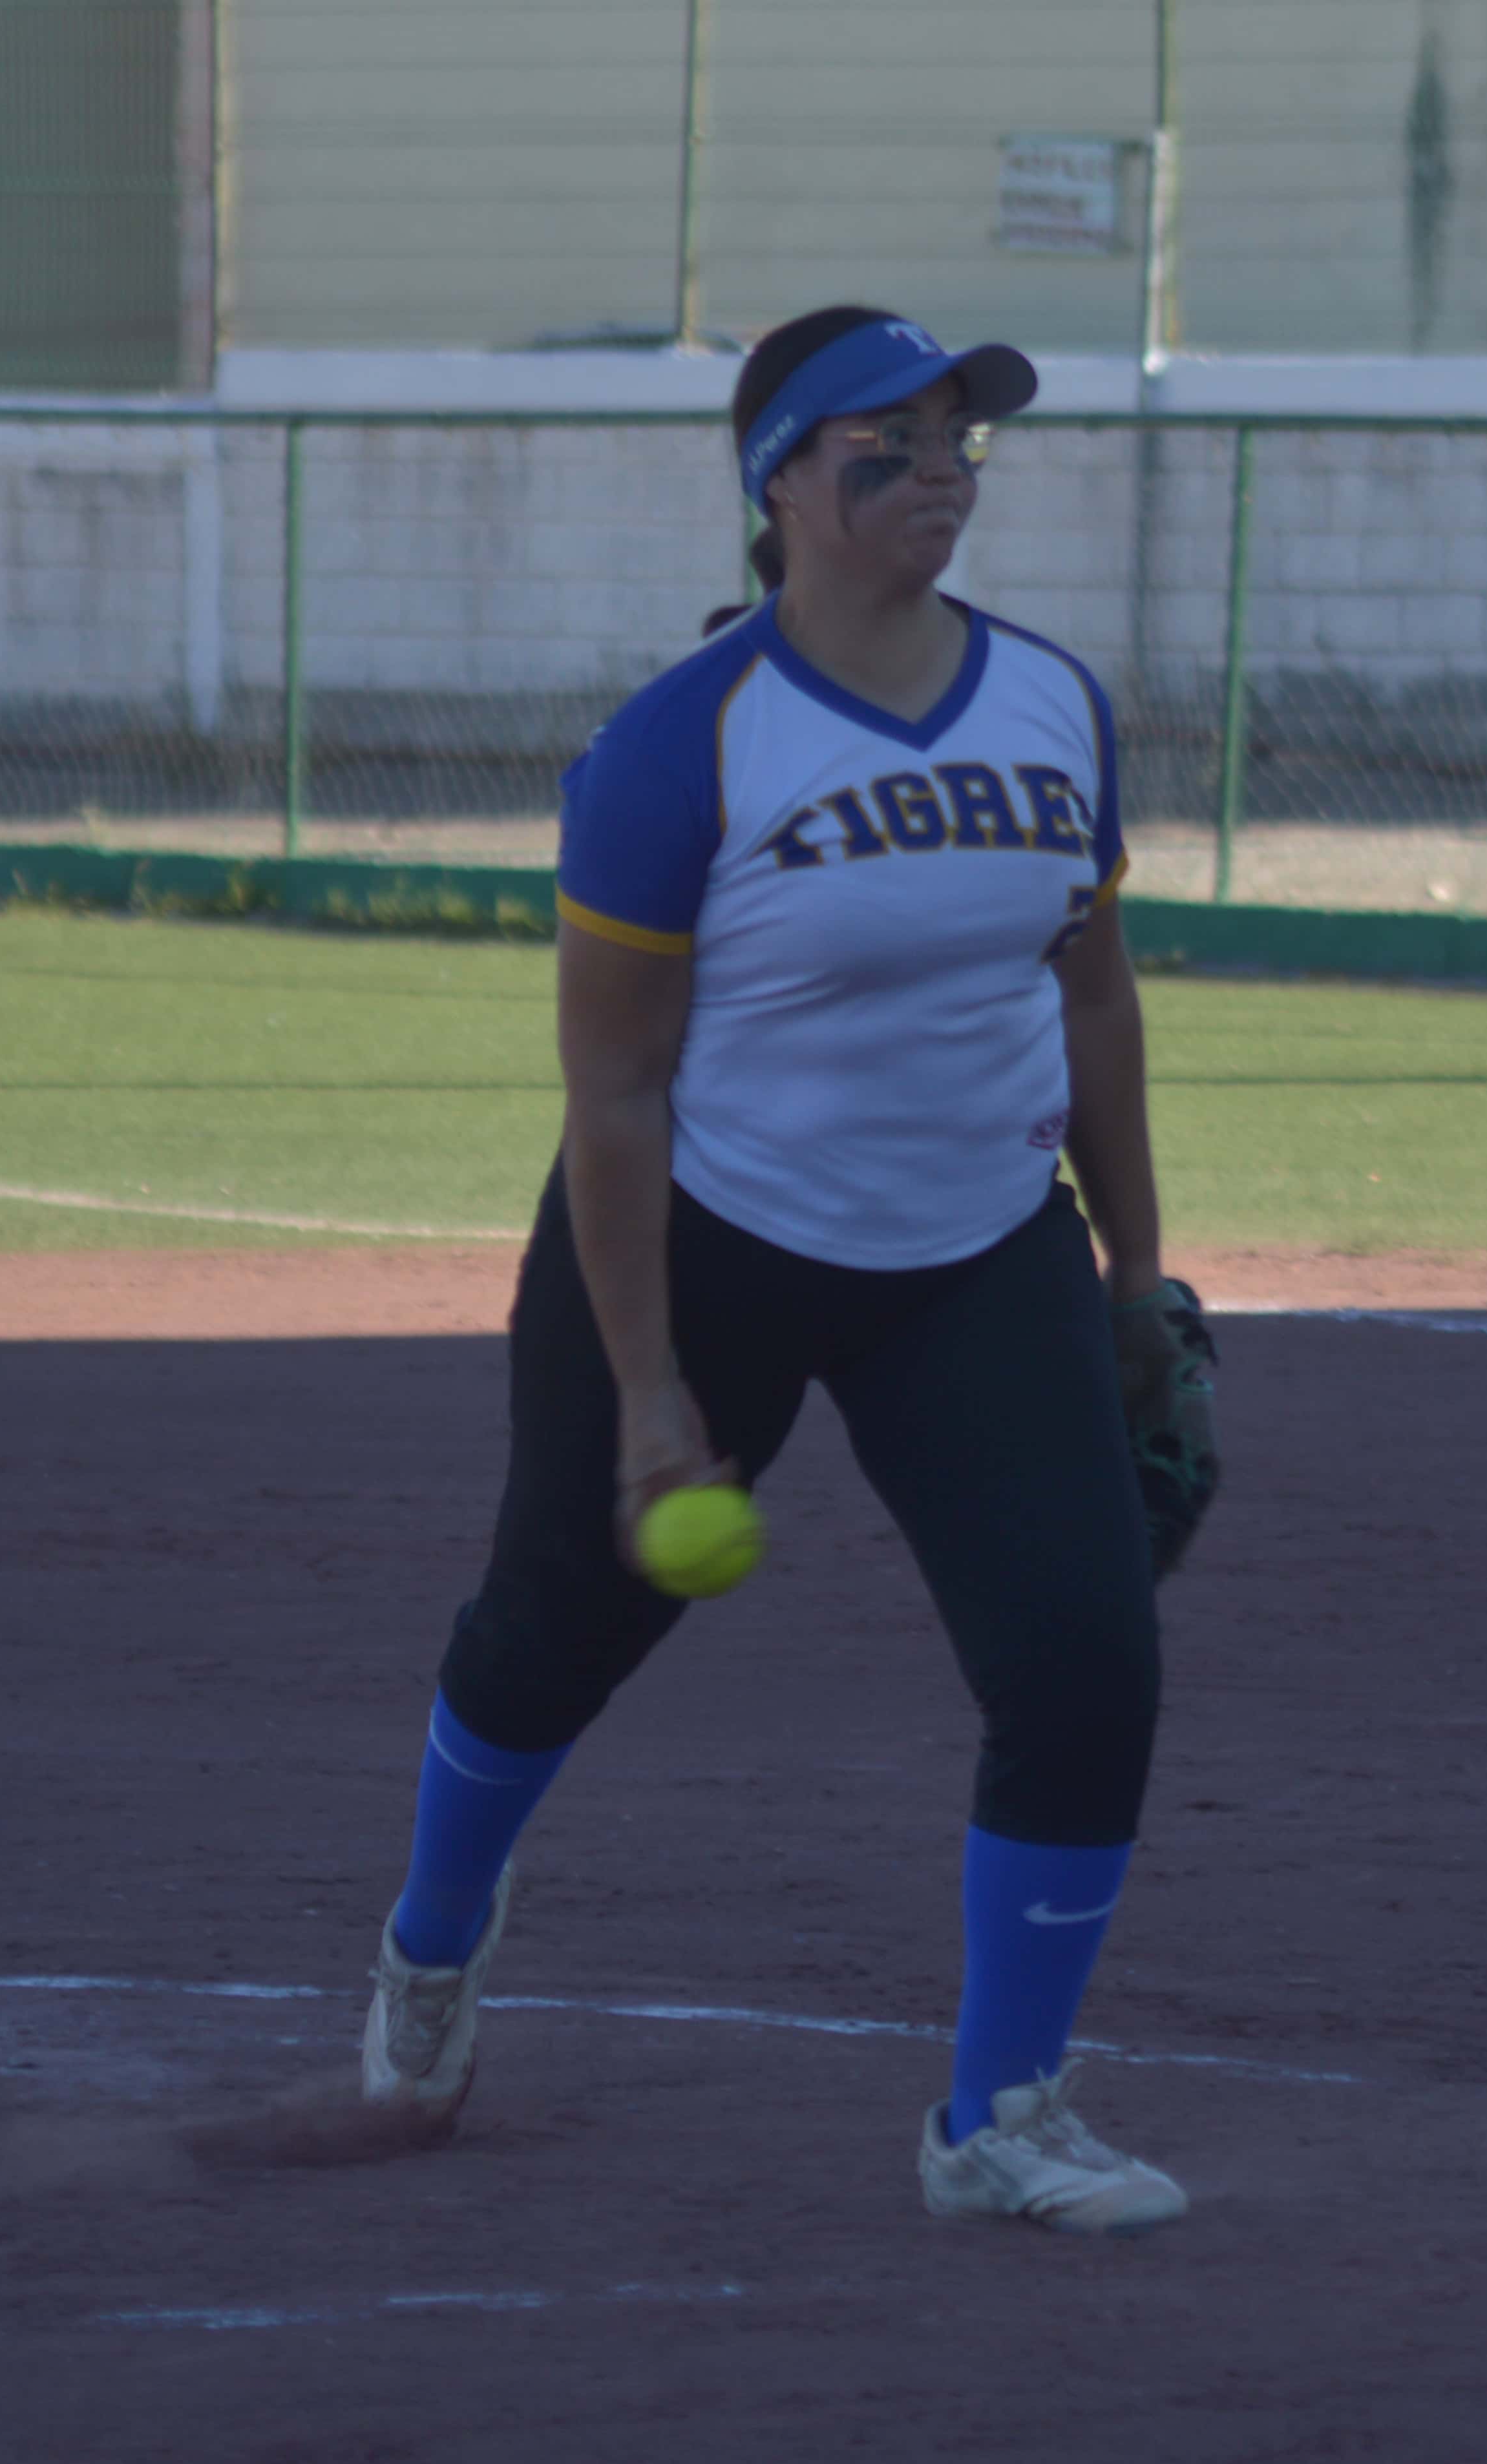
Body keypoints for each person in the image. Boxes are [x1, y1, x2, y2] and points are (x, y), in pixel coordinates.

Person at [348, 306, 1205, 2235]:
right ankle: (432, 1935)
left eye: (958, 446)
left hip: (978, 1255)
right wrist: (653, 1393)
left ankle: (999, 2121)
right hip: (709, 1245)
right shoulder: (681, 748)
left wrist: (1137, 1268)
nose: (937, 479)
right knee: (553, 1630)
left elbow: (1092, 994)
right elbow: (618, 1088)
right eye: (883, 451)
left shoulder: (1053, 702)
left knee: (1085, 1662)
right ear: (782, 491)